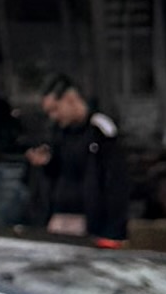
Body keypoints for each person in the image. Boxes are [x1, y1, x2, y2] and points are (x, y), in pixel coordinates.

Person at [30, 77, 129, 241]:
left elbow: (115, 183)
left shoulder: (99, 131)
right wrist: (47, 164)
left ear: (71, 100)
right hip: (59, 216)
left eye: (55, 109)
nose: (53, 116)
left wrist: (113, 229)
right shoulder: (58, 133)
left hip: (90, 220)